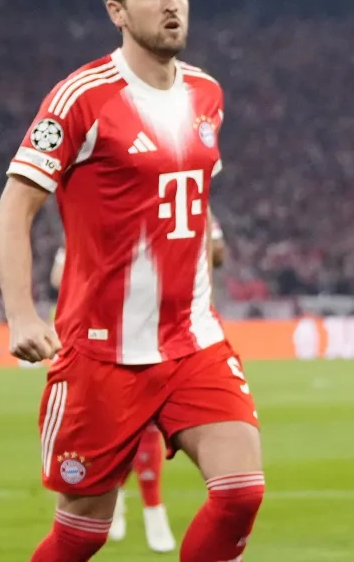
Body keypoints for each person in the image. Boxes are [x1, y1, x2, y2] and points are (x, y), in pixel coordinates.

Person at [0, 0, 263, 562]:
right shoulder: (81, 98)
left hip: (192, 341)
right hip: (102, 352)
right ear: (117, 11)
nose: (172, 4)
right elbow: (12, 212)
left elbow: (192, 191)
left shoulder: (206, 94)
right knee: (81, 535)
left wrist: (210, 241)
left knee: (240, 493)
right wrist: (21, 315)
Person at [46, 211, 222, 553]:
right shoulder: (99, 212)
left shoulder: (182, 202)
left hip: (168, 336)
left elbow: (217, 252)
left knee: (150, 427)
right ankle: (116, 496)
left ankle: (154, 509)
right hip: (102, 341)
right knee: (112, 432)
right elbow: (58, 275)